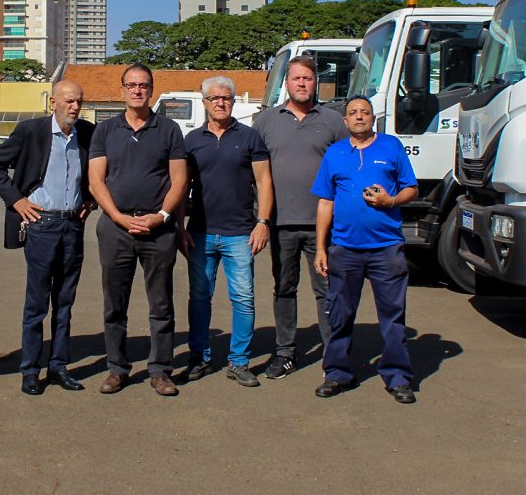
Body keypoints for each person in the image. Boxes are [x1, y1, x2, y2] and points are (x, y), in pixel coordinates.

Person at [0, 79, 95, 395]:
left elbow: (97, 172)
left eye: (79, 101)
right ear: (53, 103)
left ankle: (59, 366)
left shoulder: (87, 133)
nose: (74, 107)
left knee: (65, 301)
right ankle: (31, 370)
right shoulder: (31, 132)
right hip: (41, 225)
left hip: (72, 225)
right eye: (68, 101)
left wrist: (90, 199)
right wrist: (16, 200)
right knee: (37, 303)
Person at [89, 63, 188, 396]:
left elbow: (179, 180)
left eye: (143, 85)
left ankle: (160, 369)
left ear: (152, 90)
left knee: (161, 303)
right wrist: (117, 216)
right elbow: (95, 180)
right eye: (131, 85)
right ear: (122, 90)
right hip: (116, 227)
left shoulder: (170, 129)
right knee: (114, 302)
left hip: (158, 230)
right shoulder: (105, 131)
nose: (137, 90)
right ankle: (117, 368)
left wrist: (161, 216)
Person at [311, 95, 419, 401]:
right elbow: (325, 201)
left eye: (365, 112)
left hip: (386, 248)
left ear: (373, 118)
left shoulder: (391, 147)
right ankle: (337, 373)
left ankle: (397, 376)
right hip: (344, 249)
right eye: (353, 113)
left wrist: (391, 201)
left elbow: (411, 188)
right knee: (339, 314)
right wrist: (321, 247)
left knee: (392, 315)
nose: (359, 116)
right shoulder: (334, 153)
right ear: (344, 121)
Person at [252, 56, 347, 379]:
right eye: (296, 79)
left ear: (315, 82)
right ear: (287, 83)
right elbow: (254, 173)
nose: (302, 83)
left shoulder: (333, 121)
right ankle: (285, 353)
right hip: (280, 223)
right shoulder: (266, 121)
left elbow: (345, 172)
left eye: (308, 78)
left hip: (323, 225)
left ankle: (334, 357)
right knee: (284, 288)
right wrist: (259, 219)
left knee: (327, 290)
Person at [178, 76, 273, 388]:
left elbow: (264, 183)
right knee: (200, 298)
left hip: (240, 234)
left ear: (233, 101)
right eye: (214, 98)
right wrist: (179, 226)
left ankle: (240, 361)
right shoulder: (191, 141)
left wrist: (262, 223)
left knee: (243, 298)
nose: (220, 103)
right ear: (204, 102)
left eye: (226, 98)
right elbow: (181, 188)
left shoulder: (249, 137)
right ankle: (200, 357)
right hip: (201, 232)